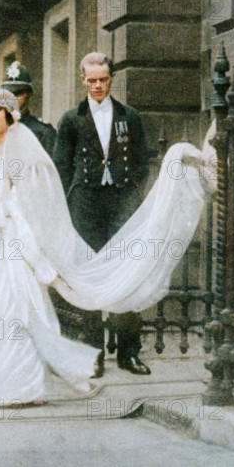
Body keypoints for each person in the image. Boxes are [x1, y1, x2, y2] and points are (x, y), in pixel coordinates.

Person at [0, 88, 213, 403]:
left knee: (17, 307)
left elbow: (38, 195)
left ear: (9, 114)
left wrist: (19, 227)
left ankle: (22, 384)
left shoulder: (21, 144)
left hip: (17, 240)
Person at [53, 52, 150, 377]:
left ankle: (128, 353)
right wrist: (68, 206)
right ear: (83, 80)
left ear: (111, 79)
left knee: (127, 273)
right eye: (92, 80)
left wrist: (132, 195)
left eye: (103, 80)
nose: (97, 86)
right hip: (85, 204)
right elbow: (60, 168)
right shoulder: (71, 119)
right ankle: (93, 354)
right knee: (88, 277)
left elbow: (142, 162)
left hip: (121, 203)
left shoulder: (129, 116)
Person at [0, 61, 56, 156]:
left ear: (28, 94)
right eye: (7, 94)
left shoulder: (43, 133)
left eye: (17, 93)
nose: (11, 99)